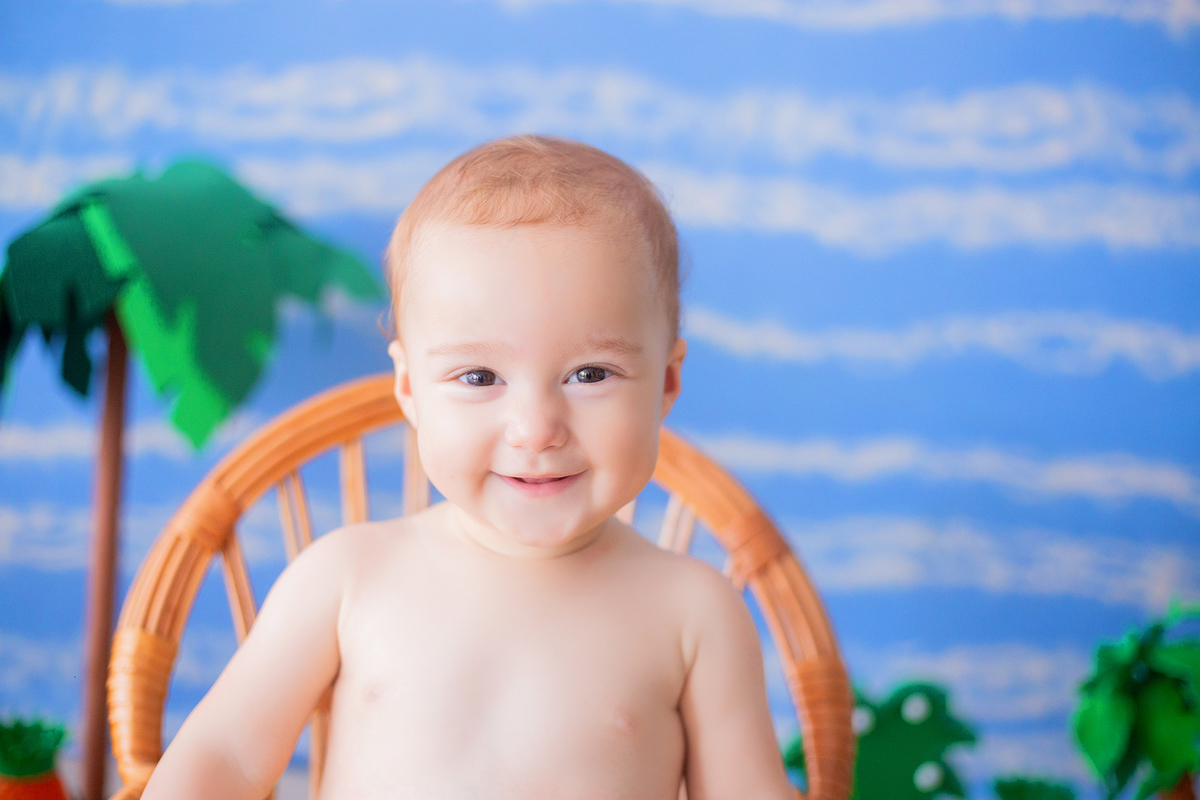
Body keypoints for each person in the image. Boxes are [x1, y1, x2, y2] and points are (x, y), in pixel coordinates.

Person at [143, 135, 794, 800]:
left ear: (665, 384)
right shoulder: (346, 579)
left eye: (589, 373)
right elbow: (223, 757)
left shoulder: (695, 613)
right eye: (480, 376)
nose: (536, 428)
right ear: (408, 389)